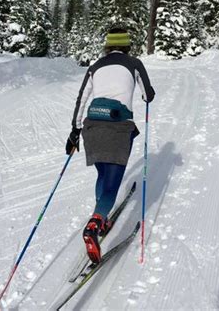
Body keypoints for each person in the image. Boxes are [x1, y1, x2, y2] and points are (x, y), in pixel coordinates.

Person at [65, 27, 155, 263]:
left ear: (107, 45)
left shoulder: (95, 66)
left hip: (92, 126)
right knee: (113, 184)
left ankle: (101, 218)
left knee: (103, 174)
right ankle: (94, 224)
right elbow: (148, 95)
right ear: (127, 45)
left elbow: (82, 97)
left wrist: (74, 131)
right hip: (117, 128)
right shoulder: (133, 63)